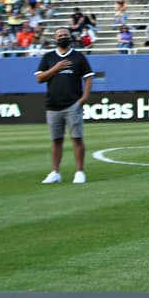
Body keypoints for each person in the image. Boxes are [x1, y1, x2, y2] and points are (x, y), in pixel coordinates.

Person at [35, 26, 93, 184]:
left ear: (70, 37)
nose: (62, 37)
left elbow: (88, 77)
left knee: (77, 138)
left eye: (65, 35)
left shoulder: (78, 57)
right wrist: (56, 68)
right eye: (59, 35)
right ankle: (55, 172)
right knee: (56, 140)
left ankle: (80, 172)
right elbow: (39, 78)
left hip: (73, 104)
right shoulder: (48, 57)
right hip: (52, 105)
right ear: (55, 39)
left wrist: (84, 98)